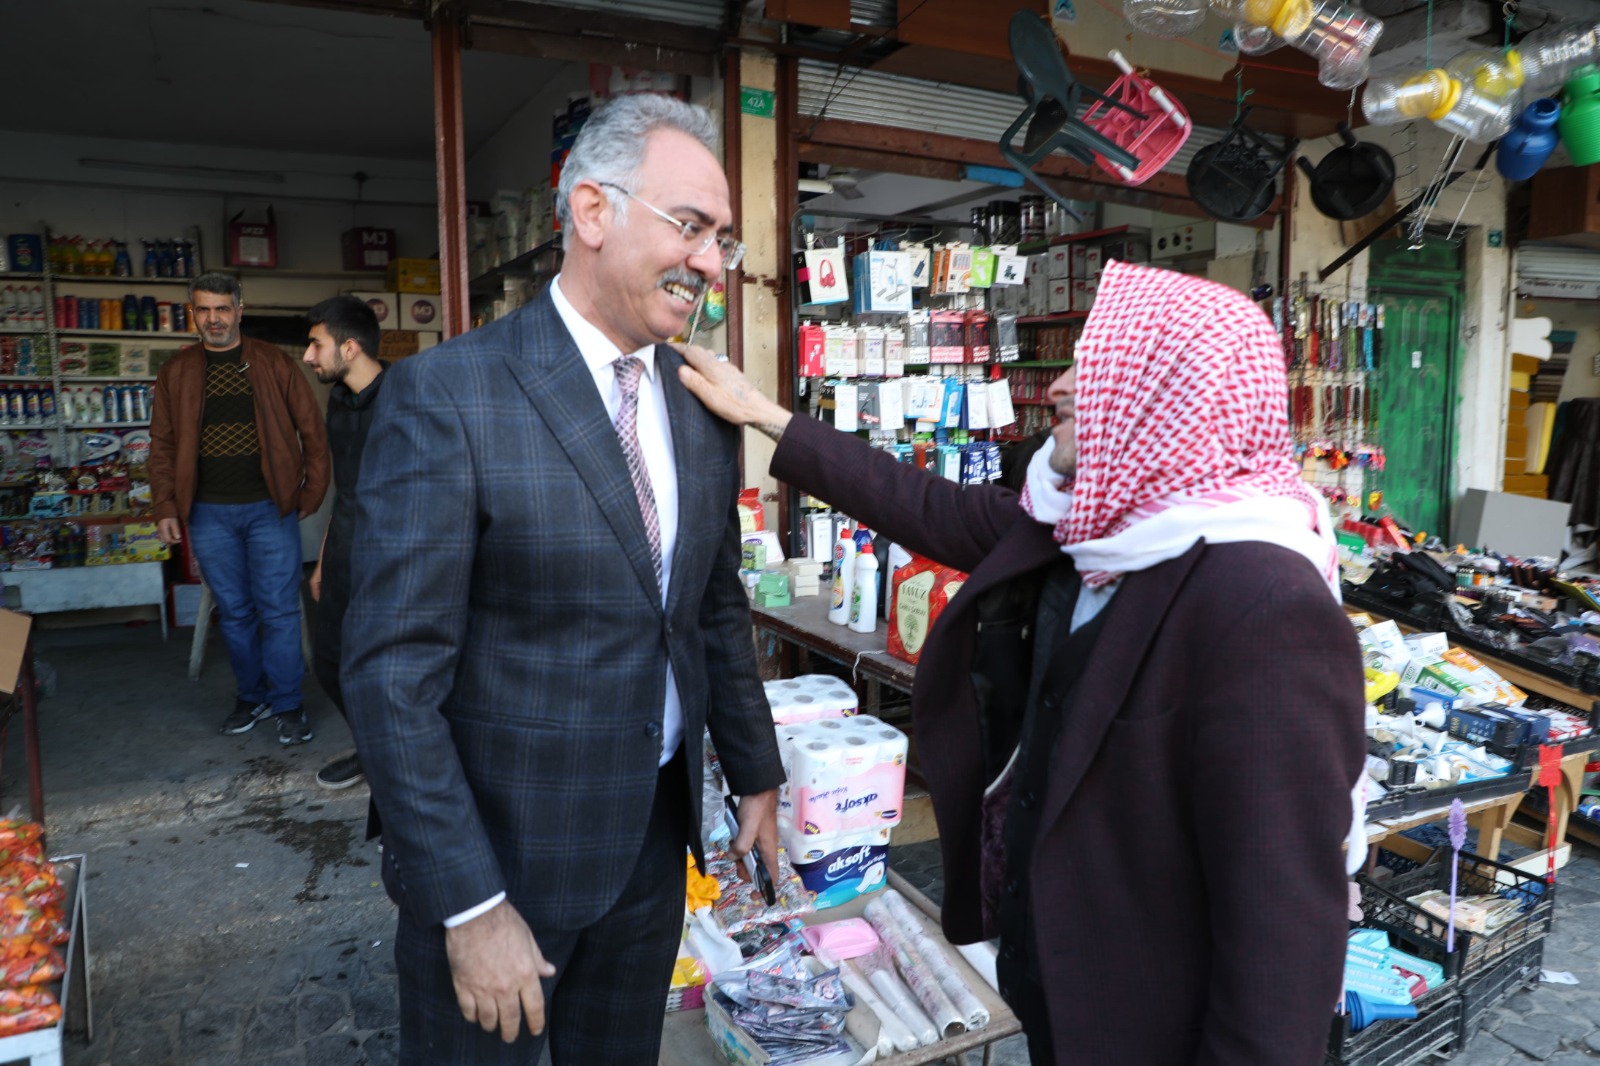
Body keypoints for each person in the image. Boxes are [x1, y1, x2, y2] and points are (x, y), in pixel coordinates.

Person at [676, 259, 1366, 1065]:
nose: (1061, 387)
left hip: (1153, 1026)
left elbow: (1283, 928)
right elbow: (928, 506)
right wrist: (765, 416)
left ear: (1173, 399)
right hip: (1057, 984)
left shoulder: (1262, 602)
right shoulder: (1093, 526)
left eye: (1097, 367)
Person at [340, 93, 785, 1066]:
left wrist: (754, 772)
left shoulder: (698, 402)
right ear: (591, 212)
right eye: (692, 227)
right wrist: (469, 902)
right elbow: (389, 676)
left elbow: (708, 606)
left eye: (723, 240)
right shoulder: (448, 397)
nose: (712, 263)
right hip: (503, 864)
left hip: (649, 851)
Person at [150, 272, 330, 745]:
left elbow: (312, 430)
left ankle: (289, 703)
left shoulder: (273, 362)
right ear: (194, 313)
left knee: (279, 611)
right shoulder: (177, 371)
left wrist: (310, 493)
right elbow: (162, 444)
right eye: (204, 310)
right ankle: (252, 696)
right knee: (233, 612)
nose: (213, 319)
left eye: (222, 309)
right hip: (208, 513)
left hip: (270, 509)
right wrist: (165, 504)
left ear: (239, 311)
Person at [301, 295, 387, 791]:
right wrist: (324, 559)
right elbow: (347, 487)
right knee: (329, 661)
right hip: (345, 548)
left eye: (317, 344)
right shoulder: (338, 400)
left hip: (391, 557)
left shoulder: (405, 395)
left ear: (350, 347)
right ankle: (372, 748)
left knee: (383, 667)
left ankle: (393, 760)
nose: (309, 356)